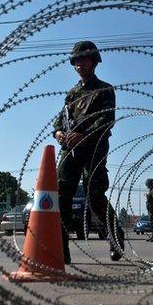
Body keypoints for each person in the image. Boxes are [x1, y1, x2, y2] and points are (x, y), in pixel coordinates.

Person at [53, 41, 125, 263]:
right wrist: (59, 134)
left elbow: (107, 120)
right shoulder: (72, 93)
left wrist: (84, 136)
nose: (78, 64)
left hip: (94, 148)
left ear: (93, 61)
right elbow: (59, 121)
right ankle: (62, 249)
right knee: (61, 196)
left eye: (83, 60)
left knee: (94, 197)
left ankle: (115, 238)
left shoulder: (104, 90)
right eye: (76, 61)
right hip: (70, 150)